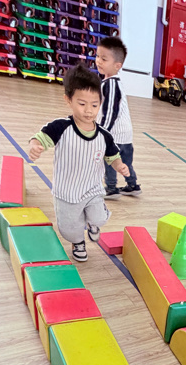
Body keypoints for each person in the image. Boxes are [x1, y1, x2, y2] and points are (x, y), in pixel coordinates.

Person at [28, 63, 129, 262]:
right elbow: (40, 137)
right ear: (69, 100)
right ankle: (78, 242)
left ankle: (93, 223)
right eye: (82, 104)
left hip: (92, 189)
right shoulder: (61, 127)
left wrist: (119, 166)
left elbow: (112, 156)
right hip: (67, 192)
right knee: (69, 228)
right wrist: (35, 145)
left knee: (99, 217)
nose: (89, 110)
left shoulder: (104, 136)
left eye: (94, 105)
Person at [95, 35, 141, 198]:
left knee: (110, 160)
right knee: (126, 162)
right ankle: (133, 185)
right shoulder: (110, 82)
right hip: (125, 135)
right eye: (97, 56)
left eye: (104, 59)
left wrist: (102, 132)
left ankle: (111, 188)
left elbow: (110, 112)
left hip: (115, 134)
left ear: (117, 65)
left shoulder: (111, 84)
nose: (98, 61)